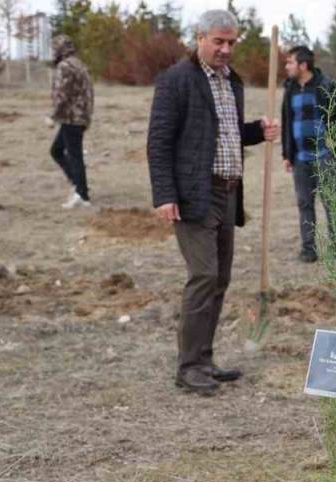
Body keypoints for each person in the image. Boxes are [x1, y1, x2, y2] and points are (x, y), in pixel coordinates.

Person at [146, 9, 280, 395]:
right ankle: (188, 368)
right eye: (218, 41)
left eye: (231, 42)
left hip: (228, 192)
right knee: (204, 275)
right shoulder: (176, 81)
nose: (225, 49)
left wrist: (256, 131)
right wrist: (165, 194)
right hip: (193, 194)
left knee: (219, 278)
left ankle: (204, 359)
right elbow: (159, 141)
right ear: (199, 37)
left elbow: (224, 134)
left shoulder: (230, 82)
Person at [280, 45, 336, 263]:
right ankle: (308, 250)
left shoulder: (326, 86)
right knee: (304, 204)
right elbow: (287, 121)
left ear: (303, 65)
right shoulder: (290, 89)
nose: (287, 66)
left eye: (290, 62)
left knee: (331, 202)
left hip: (324, 156)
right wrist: (287, 154)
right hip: (300, 159)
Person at [49, 34, 95, 209]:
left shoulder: (65, 66)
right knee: (57, 150)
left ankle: (81, 194)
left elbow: (62, 95)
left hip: (71, 117)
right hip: (81, 116)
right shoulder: (79, 64)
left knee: (74, 155)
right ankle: (78, 185)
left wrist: (53, 116)